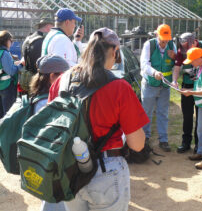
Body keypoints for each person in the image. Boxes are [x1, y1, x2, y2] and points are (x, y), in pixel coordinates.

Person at [48, 27, 148, 211]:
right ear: (114, 51)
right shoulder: (120, 87)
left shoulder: (61, 82)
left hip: (69, 170)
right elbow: (137, 145)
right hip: (106, 170)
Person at [29, 54, 69, 211]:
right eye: (64, 75)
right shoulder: (45, 104)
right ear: (53, 77)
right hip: (51, 164)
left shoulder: (39, 97)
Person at [172, 32, 202, 154]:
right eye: (183, 48)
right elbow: (177, 68)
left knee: (200, 117)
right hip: (187, 86)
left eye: (187, 47)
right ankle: (185, 142)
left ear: (194, 42)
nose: (185, 51)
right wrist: (174, 81)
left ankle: (199, 144)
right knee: (187, 115)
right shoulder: (181, 51)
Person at [140, 24, 176, 152]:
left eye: (166, 40)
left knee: (163, 113)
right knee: (146, 113)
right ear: (156, 35)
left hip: (165, 86)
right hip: (150, 84)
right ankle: (144, 139)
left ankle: (163, 140)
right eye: (162, 40)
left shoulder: (172, 45)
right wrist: (154, 73)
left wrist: (174, 58)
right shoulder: (149, 45)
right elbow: (144, 64)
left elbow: (177, 65)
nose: (164, 43)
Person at [19, 18, 54, 94]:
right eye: (52, 28)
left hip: (25, 78)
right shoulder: (41, 41)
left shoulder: (27, 39)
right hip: (36, 81)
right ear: (48, 27)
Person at [0, 30, 24, 118]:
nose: (12, 43)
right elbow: (11, 71)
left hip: (1, 85)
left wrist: (15, 63)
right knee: (8, 114)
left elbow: (3, 67)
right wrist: (21, 65)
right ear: (6, 40)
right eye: (11, 41)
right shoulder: (5, 53)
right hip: (7, 87)